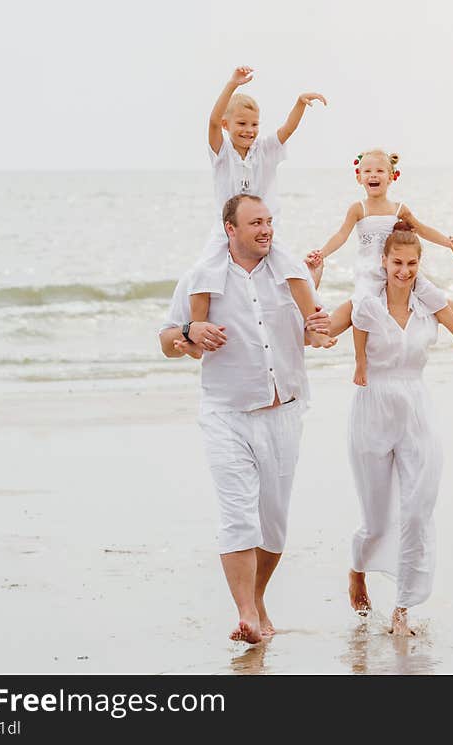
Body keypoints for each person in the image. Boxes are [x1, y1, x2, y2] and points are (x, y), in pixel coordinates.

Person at [159, 194, 334, 644]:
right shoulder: (201, 277)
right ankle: (245, 615)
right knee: (238, 517)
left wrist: (318, 332)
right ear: (230, 229)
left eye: (270, 221)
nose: (266, 230)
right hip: (226, 414)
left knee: (273, 524)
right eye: (256, 222)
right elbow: (166, 338)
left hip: (284, 412)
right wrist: (188, 332)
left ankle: (256, 599)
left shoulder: (290, 275)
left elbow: (314, 334)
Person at [331, 221, 453, 636]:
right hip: (372, 410)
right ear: (383, 262)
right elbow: (312, 331)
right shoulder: (362, 303)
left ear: (419, 264)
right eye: (396, 263)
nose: (403, 271)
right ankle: (358, 569)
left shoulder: (432, 306)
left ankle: (403, 607)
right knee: (375, 519)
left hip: (416, 412)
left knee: (417, 510)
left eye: (411, 263)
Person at [304, 149, 453, 385]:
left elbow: (422, 229)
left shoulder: (399, 208)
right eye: (368, 171)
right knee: (361, 307)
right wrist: (322, 253)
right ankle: (361, 361)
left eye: (380, 171)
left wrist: (449, 243)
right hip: (371, 271)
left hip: (399, 269)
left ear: (392, 177)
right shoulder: (358, 208)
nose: (374, 175)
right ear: (359, 177)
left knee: (435, 297)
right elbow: (341, 235)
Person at [186, 66, 335, 353]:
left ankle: (313, 328)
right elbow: (213, 122)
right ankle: (196, 339)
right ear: (229, 125)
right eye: (241, 124)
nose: (249, 131)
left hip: (264, 230)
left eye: (254, 125)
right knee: (204, 272)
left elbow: (287, 130)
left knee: (295, 272)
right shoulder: (222, 154)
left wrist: (299, 104)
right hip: (227, 231)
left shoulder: (265, 149)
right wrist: (231, 84)